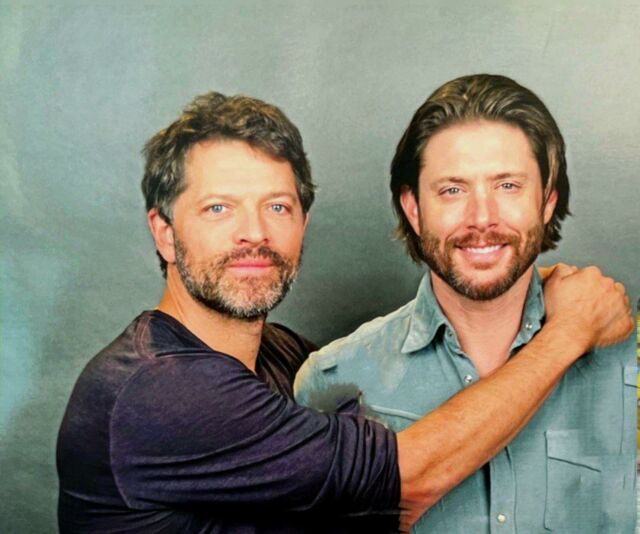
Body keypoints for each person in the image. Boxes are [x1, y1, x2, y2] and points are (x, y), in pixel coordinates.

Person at [57, 90, 634, 533]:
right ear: (164, 231)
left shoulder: (293, 360)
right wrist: (570, 330)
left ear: (303, 224)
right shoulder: (159, 391)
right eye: (218, 208)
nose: (254, 233)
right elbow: (407, 477)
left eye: (277, 206)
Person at [295, 74, 637, 533]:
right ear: (414, 210)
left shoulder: (628, 365)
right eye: (452, 190)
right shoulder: (333, 382)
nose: (482, 218)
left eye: (508, 186)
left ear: (547, 201)